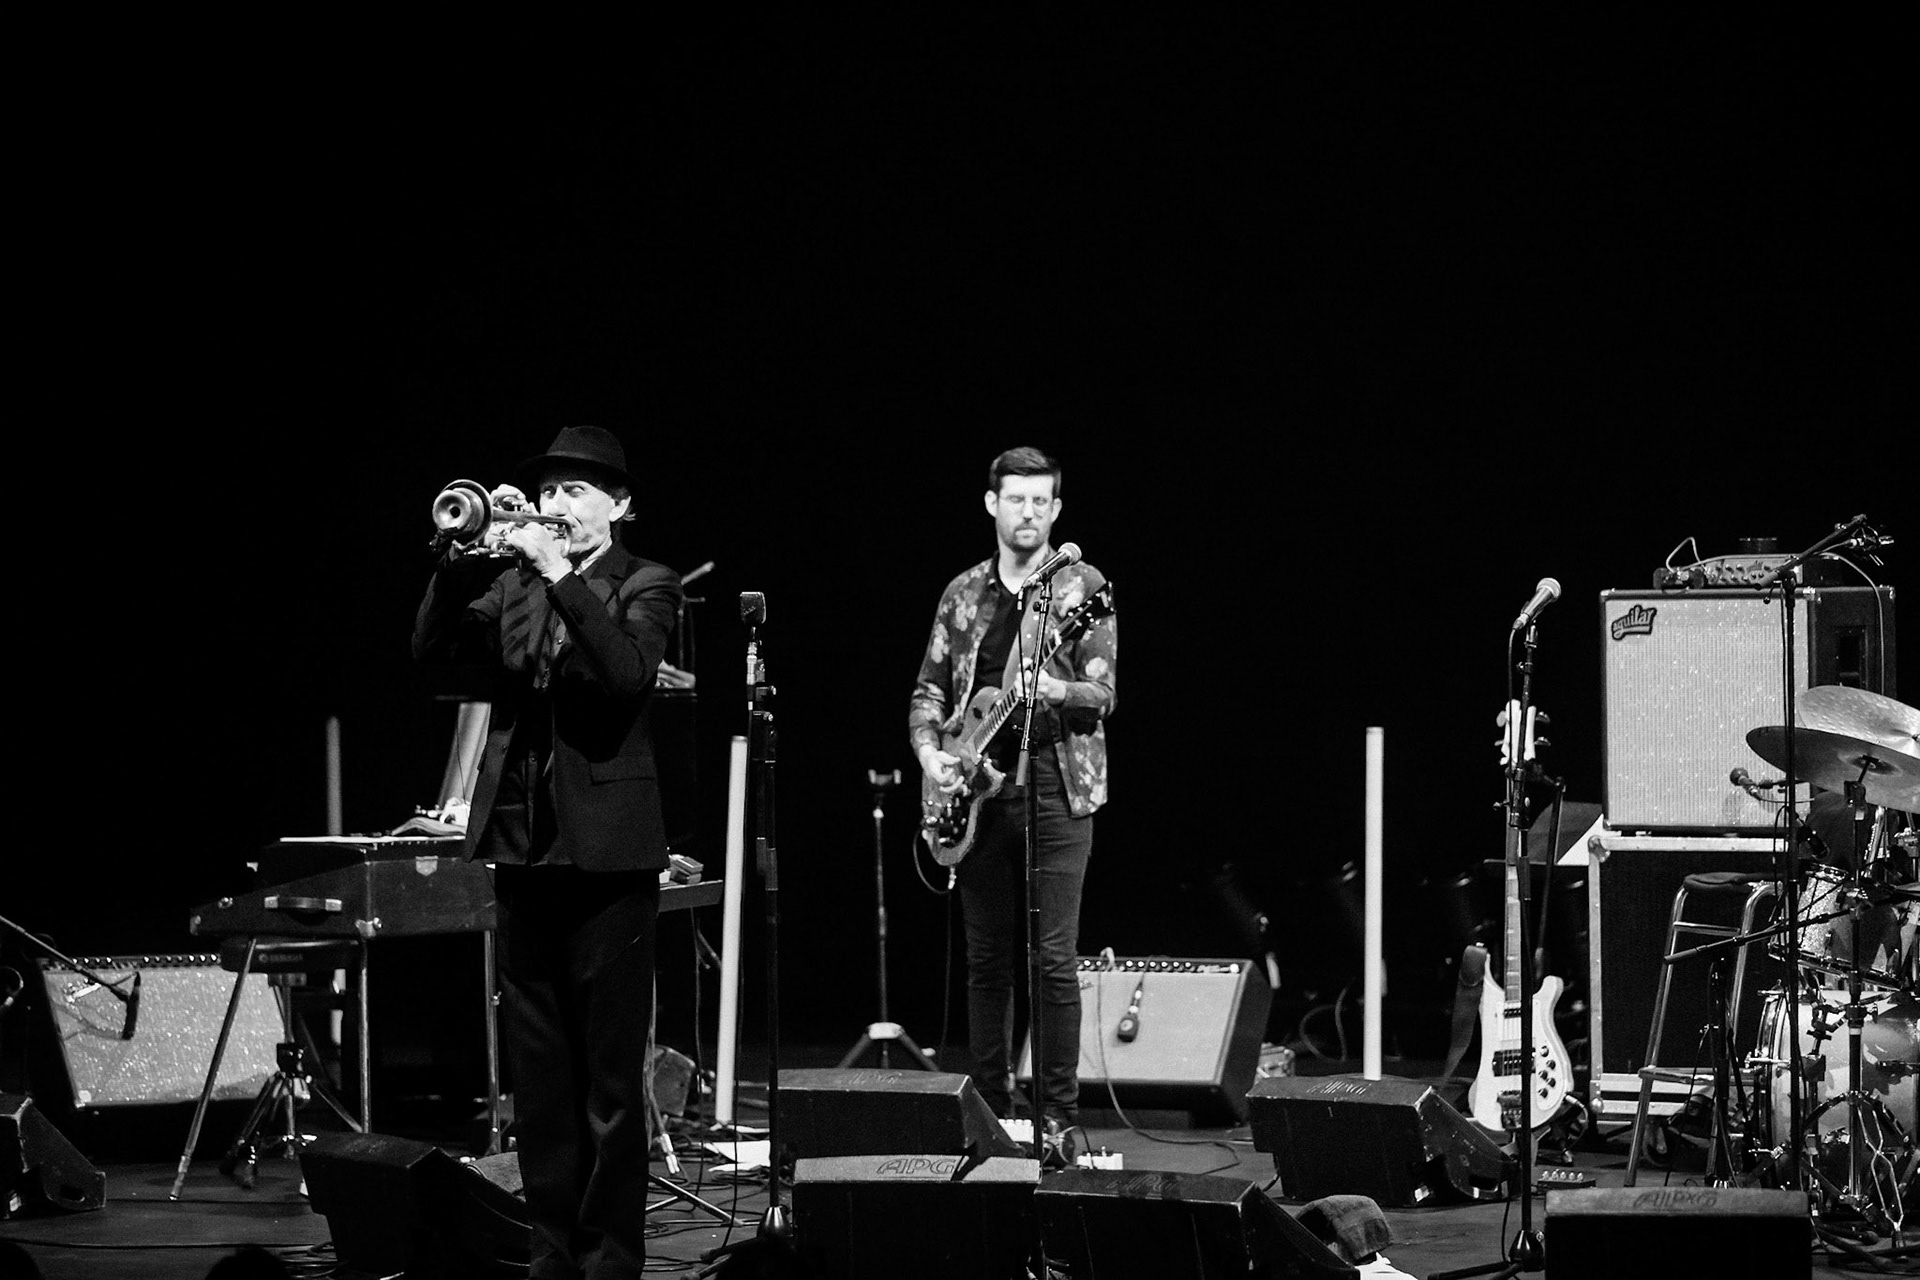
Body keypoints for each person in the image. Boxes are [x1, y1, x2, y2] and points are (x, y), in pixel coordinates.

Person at [414, 424, 681, 1280]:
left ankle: (611, 1258)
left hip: (608, 861)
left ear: (620, 504)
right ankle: (550, 1253)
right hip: (523, 852)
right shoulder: (515, 589)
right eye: (550, 490)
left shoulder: (648, 582)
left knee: (609, 1084)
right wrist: (456, 563)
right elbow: (433, 655)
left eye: (576, 490)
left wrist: (561, 573)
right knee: (541, 1082)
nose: (556, 505)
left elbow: (625, 674)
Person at [908, 446, 1117, 1135]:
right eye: (1015, 498)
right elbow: (930, 689)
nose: (1027, 511)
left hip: (1056, 782)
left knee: (1052, 959)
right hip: (976, 789)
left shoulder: (1082, 588)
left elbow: (1103, 694)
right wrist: (932, 753)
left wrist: (1054, 688)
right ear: (992, 504)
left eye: (1040, 501)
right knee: (987, 960)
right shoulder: (962, 592)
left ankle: (1057, 1118)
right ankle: (990, 1111)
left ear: (1055, 510)